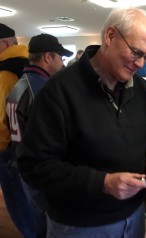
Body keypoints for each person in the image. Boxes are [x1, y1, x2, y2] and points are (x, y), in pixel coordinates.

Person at [17, 7, 146, 238]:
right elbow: (34, 166)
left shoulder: (141, 88)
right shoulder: (58, 91)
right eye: (136, 52)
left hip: (134, 217)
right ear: (110, 36)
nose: (141, 64)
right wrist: (102, 183)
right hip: (79, 225)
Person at [6, 33, 73, 238]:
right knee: (50, 222)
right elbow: (54, 137)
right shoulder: (43, 89)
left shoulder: (18, 84)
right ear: (47, 57)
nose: (62, 63)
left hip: (23, 162)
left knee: (37, 216)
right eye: (60, 58)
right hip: (42, 170)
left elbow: (7, 124)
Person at [0, 23, 33, 237]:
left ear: (4, 44)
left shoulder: (4, 73)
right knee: (29, 197)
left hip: (9, 146)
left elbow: (0, 119)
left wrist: (1, 148)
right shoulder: (30, 65)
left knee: (16, 199)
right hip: (29, 144)